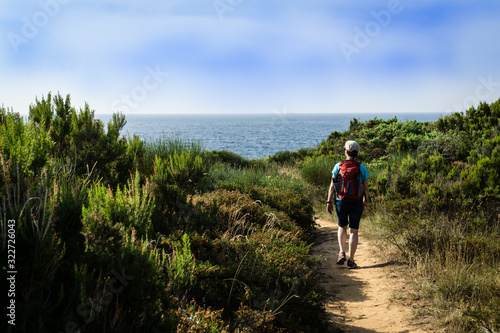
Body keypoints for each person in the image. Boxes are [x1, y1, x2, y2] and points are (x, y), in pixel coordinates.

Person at [326, 140, 369, 269]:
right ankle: (351, 260)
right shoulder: (362, 168)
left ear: (346, 151)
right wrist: (365, 200)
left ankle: (341, 253)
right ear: (357, 152)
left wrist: (329, 201)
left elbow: (332, 186)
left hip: (341, 201)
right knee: (354, 231)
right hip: (356, 201)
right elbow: (366, 188)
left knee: (342, 227)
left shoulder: (338, 166)